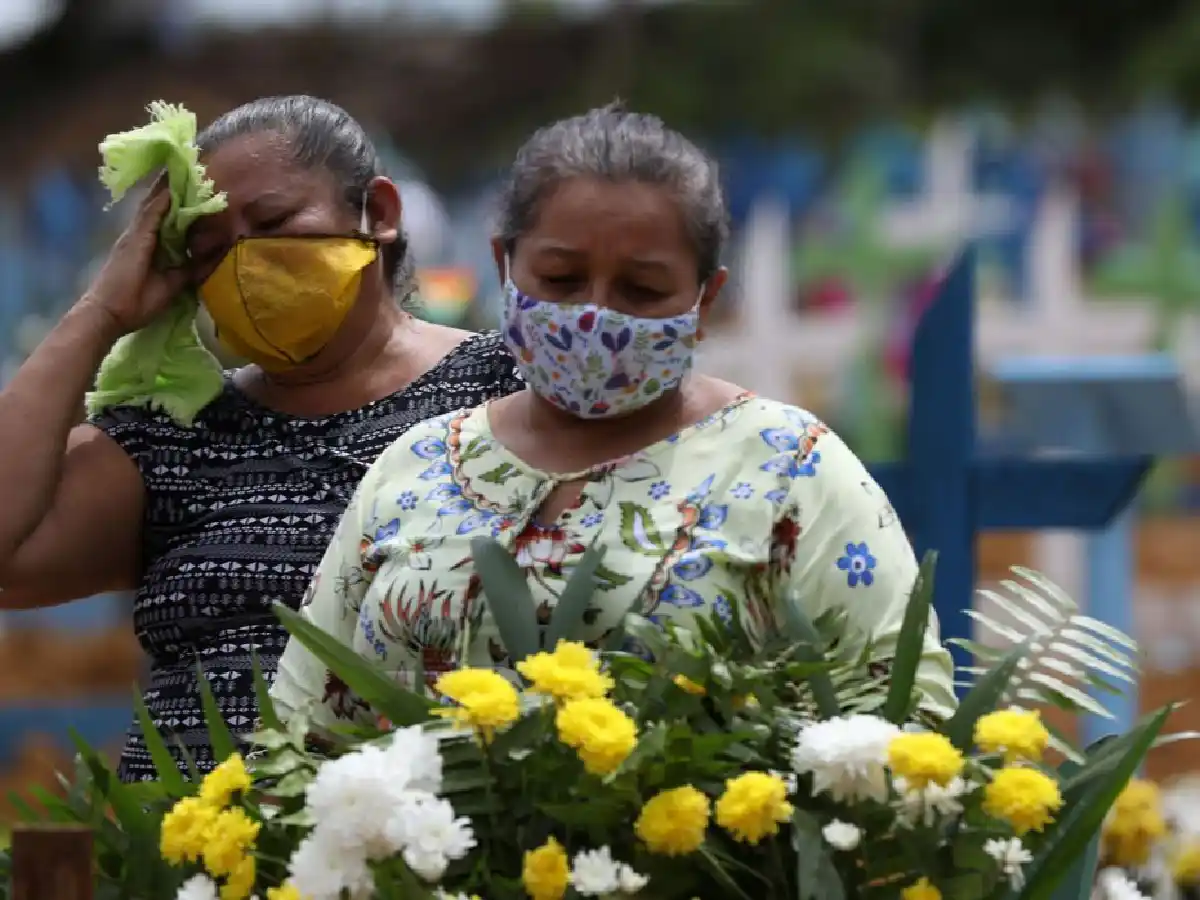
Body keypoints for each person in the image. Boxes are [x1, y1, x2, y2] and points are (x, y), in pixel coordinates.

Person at [270, 103, 957, 728]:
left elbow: (901, 724)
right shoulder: (415, 469)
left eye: (643, 288)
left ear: (705, 298)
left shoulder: (787, 469)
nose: (595, 314)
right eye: (562, 280)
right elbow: (303, 729)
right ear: (504, 266)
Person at [0, 95, 524, 781]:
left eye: (274, 223)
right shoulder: (179, 438)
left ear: (381, 214)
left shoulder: (502, 391)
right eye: (210, 250)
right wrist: (102, 311)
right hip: (189, 860)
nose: (245, 263)